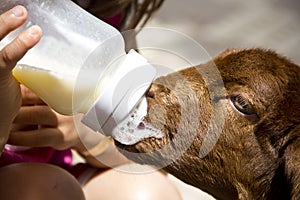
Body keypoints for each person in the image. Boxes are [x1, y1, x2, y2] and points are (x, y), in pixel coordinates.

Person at [0, 1, 182, 200]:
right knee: (42, 189)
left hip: (55, 181)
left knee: (148, 192)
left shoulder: (97, 21)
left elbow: (151, 155)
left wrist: (84, 133)